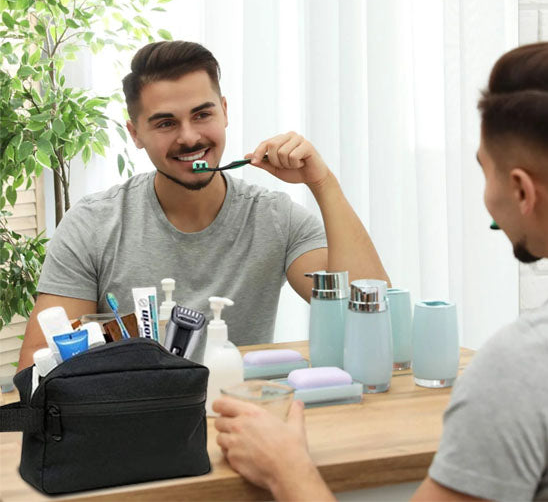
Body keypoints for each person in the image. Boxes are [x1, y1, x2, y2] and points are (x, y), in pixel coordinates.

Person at [214, 42, 548, 501]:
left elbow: (361, 290)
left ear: (522, 191)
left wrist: (286, 469)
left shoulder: (519, 369)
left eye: (483, 171)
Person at [18, 40, 389, 370]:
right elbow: (37, 371)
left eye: (202, 114)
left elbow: (370, 316)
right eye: (165, 123)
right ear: (136, 135)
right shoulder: (92, 225)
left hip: (241, 426)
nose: (189, 137)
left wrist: (322, 183)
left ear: (224, 111)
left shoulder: (277, 219)